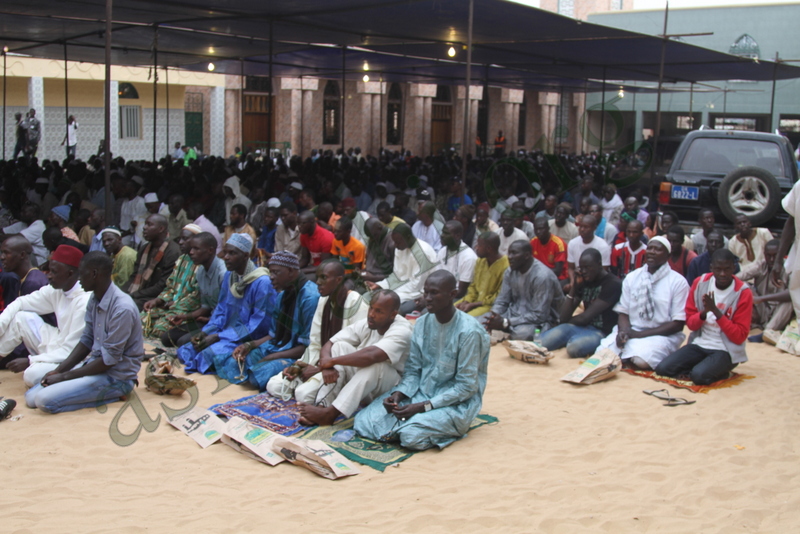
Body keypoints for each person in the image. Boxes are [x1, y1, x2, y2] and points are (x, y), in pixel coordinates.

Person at [354, 271, 491, 451]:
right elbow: (413, 370)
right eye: (426, 292)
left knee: (411, 436)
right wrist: (399, 395)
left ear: (452, 295)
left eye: (434, 293)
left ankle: (423, 428)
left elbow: (466, 387)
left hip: (456, 404)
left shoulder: (469, 332)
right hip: (419, 394)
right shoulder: (422, 323)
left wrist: (423, 407)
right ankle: (404, 427)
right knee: (363, 422)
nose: (428, 298)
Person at [24, 252, 144, 414]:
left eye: (82, 273)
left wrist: (65, 377)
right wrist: (59, 370)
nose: (78, 278)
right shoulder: (94, 299)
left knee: (43, 401)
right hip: (94, 367)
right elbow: (86, 341)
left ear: (94, 274)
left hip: (116, 377)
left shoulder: (122, 308)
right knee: (31, 399)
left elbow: (108, 361)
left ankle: (116, 394)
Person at [296, 289, 413, 426]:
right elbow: (330, 343)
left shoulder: (403, 330)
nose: (371, 314)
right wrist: (328, 366)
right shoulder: (369, 323)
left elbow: (372, 355)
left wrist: (331, 361)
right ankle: (322, 407)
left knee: (377, 366)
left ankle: (331, 413)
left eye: (379, 311)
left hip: (391, 391)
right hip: (365, 385)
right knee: (339, 346)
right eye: (371, 308)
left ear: (393, 314)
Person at [266, 261, 369, 402]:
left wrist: (320, 369)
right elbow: (315, 344)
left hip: (343, 367)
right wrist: (299, 366)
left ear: (339, 280)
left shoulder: (357, 304)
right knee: (274, 385)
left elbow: (358, 351)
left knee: (303, 395)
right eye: (317, 277)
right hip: (322, 362)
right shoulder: (323, 301)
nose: (318, 282)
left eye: (324, 278)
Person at [177, 234, 277, 379]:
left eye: (232, 253)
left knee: (206, 355)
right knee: (186, 350)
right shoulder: (230, 276)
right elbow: (221, 310)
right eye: (225, 252)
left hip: (246, 338)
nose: (226, 257)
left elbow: (258, 325)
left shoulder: (262, 282)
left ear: (245, 256)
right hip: (225, 332)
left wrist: (218, 337)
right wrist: (206, 333)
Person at [655, 249, 753, 385]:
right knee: (663, 369)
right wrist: (703, 313)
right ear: (711, 267)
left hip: (725, 349)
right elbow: (691, 324)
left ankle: (721, 371)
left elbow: (739, 336)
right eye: (718, 269)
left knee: (699, 377)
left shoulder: (743, 292)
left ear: (734, 268)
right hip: (700, 343)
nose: (723, 274)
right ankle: (705, 367)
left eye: (727, 269)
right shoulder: (700, 284)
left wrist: (716, 312)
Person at [0, 245, 91, 388]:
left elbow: (72, 351)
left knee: (31, 375)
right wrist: (1, 324)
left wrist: (30, 361)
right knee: (21, 318)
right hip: (58, 345)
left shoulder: (84, 301)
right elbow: (21, 303)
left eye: (54, 272)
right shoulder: (57, 289)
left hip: (76, 359)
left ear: (70, 273)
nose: (48, 275)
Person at [594, 236, 689, 370]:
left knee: (641, 360)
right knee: (601, 353)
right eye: (650, 248)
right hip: (632, 330)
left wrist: (639, 335)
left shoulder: (678, 282)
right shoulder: (632, 277)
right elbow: (623, 312)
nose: (652, 252)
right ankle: (626, 356)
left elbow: (678, 324)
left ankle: (628, 356)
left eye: (657, 249)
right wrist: (624, 331)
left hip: (660, 335)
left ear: (668, 255)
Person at [238, 251, 321, 390]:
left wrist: (274, 356)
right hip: (281, 346)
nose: (271, 278)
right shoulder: (283, 295)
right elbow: (273, 335)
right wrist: (250, 345)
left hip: (300, 355)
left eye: (276, 273)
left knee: (258, 374)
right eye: (270, 273)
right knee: (243, 359)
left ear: (291, 271)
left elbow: (307, 346)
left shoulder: (310, 298)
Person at [540, 248, 622, 358]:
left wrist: (563, 322)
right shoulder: (584, 280)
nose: (583, 271)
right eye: (581, 268)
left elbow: (585, 317)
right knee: (541, 342)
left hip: (602, 331)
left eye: (587, 267)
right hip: (581, 326)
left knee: (574, 348)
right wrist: (574, 287)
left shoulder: (612, 284)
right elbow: (564, 316)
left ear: (599, 264)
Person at [483, 240, 564, 339]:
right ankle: (504, 329)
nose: (510, 257)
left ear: (526, 255)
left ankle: (505, 330)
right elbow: (502, 300)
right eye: (509, 253)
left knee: (522, 333)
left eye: (514, 253)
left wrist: (506, 322)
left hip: (541, 320)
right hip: (514, 314)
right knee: (479, 321)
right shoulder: (510, 271)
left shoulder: (542, 276)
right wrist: (493, 318)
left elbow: (540, 315)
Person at [162, 232, 226, 348]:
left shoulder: (223, 273)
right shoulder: (201, 271)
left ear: (210, 250)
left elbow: (228, 310)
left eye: (196, 249)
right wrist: (184, 317)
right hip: (208, 320)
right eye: (191, 248)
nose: (191, 252)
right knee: (167, 338)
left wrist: (210, 319)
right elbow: (205, 307)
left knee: (184, 342)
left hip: (221, 323)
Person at [141, 225, 201, 345]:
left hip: (185, 310)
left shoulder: (201, 264)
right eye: (180, 238)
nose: (180, 242)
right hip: (170, 306)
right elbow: (170, 287)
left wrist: (173, 305)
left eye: (185, 239)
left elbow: (195, 297)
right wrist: (158, 301)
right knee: (141, 319)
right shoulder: (181, 260)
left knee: (160, 330)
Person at [365, 223, 438, 316]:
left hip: (419, 293)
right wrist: (380, 285)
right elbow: (397, 275)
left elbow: (417, 286)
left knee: (387, 307)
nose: (395, 245)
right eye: (394, 242)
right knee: (368, 297)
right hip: (401, 290)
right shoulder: (400, 248)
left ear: (408, 237)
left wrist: (390, 293)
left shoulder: (423, 252)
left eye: (398, 242)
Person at [0, 236, 51, 368]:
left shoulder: (33, 282)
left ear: (22, 255)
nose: (2, 257)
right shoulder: (24, 279)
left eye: (6, 252)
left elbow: (28, 326)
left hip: (41, 345)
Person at [122, 214, 181, 311]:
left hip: (159, 297)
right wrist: (121, 293)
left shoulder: (173, 252)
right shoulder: (144, 249)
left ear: (161, 229)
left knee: (128, 306)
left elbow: (163, 285)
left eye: (149, 225)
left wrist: (134, 295)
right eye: (145, 224)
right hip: (140, 293)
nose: (144, 228)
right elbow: (134, 275)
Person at [738, 239, 792, 336]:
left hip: (781, 311)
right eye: (768, 256)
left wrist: (762, 298)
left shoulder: (789, 268)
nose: (771, 259)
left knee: (791, 300)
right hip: (762, 309)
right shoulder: (761, 265)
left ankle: (767, 331)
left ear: (781, 255)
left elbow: (792, 292)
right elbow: (737, 278)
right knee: (742, 286)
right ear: (764, 254)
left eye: (775, 256)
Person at [455, 232, 509, 317]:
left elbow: (499, 296)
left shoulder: (506, 266)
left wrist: (473, 305)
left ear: (489, 248)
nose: (476, 247)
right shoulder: (480, 261)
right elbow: (473, 286)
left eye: (479, 245)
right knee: (449, 311)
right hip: (473, 300)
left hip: (489, 306)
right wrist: (466, 301)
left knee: (465, 319)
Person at [298, 210, 334, 275]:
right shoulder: (304, 235)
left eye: (303, 223)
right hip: (314, 267)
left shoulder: (326, 238)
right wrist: (293, 268)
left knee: (303, 280)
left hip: (326, 271)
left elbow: (324, 266)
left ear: (312, 222)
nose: (299, 226)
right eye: (298, 224)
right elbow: (305, 259)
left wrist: (301, 271)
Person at [361, 218, 395, 284]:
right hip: (369, 277)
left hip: (383, 281)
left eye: (373, 236)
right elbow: (369, 262)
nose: (371, 239)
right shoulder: (373, 238)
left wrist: (374, 278)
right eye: (369, 237)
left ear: (380, 227)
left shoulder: (393, 241)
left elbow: (395, 275)